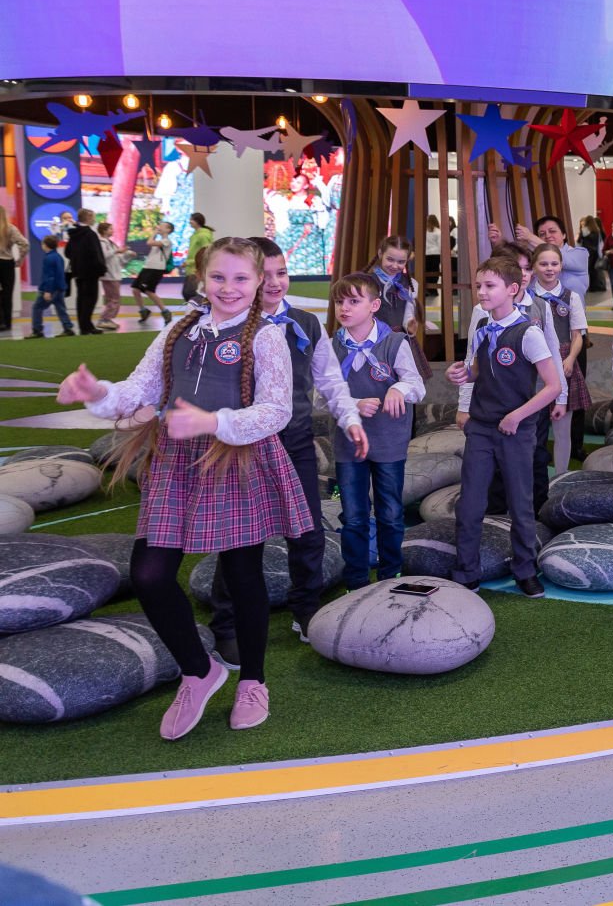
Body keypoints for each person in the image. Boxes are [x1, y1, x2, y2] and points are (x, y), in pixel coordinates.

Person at [56, 237, 312, 738]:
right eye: (218, 277)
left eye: (241, 278)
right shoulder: (178, 330)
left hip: (237, 459)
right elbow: (140, 389)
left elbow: (276, 410)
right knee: (149, 574)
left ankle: (253, 681)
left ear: (259, 281)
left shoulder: (267, 337)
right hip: (177, 462)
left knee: (243, 576)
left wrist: (213, 422)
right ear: (200, 277)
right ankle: (199, 671)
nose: (229, 288)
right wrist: (98, 393)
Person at [209, 237, 367, 660]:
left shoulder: (306, 323)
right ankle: (226, 623)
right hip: (245, 446)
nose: (276, 282)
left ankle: (306, 609)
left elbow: (330, 379)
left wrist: (350, 419)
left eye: (282, 273)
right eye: (267, 275)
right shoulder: (227, 326)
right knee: (240, 536)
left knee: (308, 530)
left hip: (295, 440)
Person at [445, 255, 559, 598]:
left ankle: (525, 569)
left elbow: (553, 386)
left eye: (489, 286)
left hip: (516, 431)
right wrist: (461, 374)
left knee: (520, 504)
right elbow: (478, 372)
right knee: (470, 505)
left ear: (512, 289)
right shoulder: (482, 327)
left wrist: (517, 416)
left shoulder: (528, 332)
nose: (481, 291)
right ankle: (467, 571)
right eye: (479, 285)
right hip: (481, 428)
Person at [326, 272, 424, 589]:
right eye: (339, 301)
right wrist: (353, 404)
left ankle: (390, 575)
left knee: (391, 513)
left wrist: (398, 388)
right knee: (353, 516)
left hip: (388, 442)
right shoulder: (330, 346)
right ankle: (355, 580)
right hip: (348, 444)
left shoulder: (395, 342)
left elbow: (417, 386)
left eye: (354, 301)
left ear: (374, 305)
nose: (344, 308)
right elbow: (320, 396)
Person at [466, 245, 567, 516]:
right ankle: (497, 520)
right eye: (516, 268)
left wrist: (561, 396)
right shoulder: (482, 312)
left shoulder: (539, 307)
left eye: (525, 268)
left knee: (536, 459)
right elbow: (472, 361)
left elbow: (553, 353)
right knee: (492, 474)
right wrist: (464, 404)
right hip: (492, 405)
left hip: (533, 399)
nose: (522, 274)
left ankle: (536, 518)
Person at [530, 242, 589, 469]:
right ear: (534, 266)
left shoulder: (571, 296)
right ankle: (534, 476)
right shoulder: (526, 296)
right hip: (534, 363)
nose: (549, 268)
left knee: (563, 429)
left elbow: (578, 335)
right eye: (543, 264)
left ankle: (560, 476)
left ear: (561, 266)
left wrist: (570, 359)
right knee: (534, 427)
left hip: (564, 361)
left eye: (554, 264)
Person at [65, 208, 104, 335]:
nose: (93, 219)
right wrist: (101, 268)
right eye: (92, 217)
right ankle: (87, 326)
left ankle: (84, 325)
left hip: (78, 271)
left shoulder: (74, 234)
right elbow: (96, 254)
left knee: (81, 298)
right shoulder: (90, 234)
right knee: (91, 298)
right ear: (88, 218)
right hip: (91, 272)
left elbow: (67, 252)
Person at [369, 236, 417, 334]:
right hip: (369, 337)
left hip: (397, 338)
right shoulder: (366, 281)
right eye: (390, 259)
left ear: (407, 260)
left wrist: (409, 325)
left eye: (401, 262)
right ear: (380, 254)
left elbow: (408, 314)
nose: (395, 266)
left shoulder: (411, 284)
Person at [29, 236, 73, 338]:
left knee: (37, 307)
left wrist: (47, 291)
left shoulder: (48, 258)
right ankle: (68, 328)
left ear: (45, 245)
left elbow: (49, 276)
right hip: (60, 288)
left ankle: (37, 330)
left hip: (51, 289)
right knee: (61, 308)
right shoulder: (58, 257)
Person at [132, 222, 174, 327]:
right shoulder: (160, 241)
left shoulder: (166, 241)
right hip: (147, 267)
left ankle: (165, 312)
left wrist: (154, 233)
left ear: (168, 230)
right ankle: (143, 311)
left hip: (157, 269)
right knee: (135, 289)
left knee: (149, 291)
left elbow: (149, 242)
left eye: (162, 226)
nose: (159, 227)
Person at [97, 222, 127, 330]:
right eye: (110, 229)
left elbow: (117, 258)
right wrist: (116, 251)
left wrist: (127, 255)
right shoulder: (102, 243)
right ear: (104, 231)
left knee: (113, 298)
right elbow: (104, 255)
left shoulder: (110, 243)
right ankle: (104, 319)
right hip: (109, 275)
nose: (112, 231)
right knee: (113, 299)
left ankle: (107, 319)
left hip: (114, 274)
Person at [0, 205, 25, 333]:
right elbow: (24, 244)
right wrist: (20, 259)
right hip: (7, 263)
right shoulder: (10, 228)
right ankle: (7, 323)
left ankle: (0, 322)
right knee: (7, 293)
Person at [180, 213, 213, 304]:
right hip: (192, 268)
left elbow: (206, 252)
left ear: (197, 221)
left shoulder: (203, 235)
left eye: (191, 220)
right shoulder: (195, 235)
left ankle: (203, 307)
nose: (190, 222)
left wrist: (189, 262)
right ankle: (201, 307)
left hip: (197, 268)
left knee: (188, 292)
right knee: (187, 292)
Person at [578, 215, 605, 293]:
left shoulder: (584, 230)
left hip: (586, 253)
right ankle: (594, 286)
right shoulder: (597, 231)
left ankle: (587, 286)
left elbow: (579, 240)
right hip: (595, 253)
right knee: (593, 271)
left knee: (586, 270)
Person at [423, 214, 442, 302]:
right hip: (435, 254)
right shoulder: (438, 231)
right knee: (435, 272)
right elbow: (440, 244)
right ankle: (433, 290)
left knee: (426, 272)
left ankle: (427, 289)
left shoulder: (424, 231)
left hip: (426, 254)